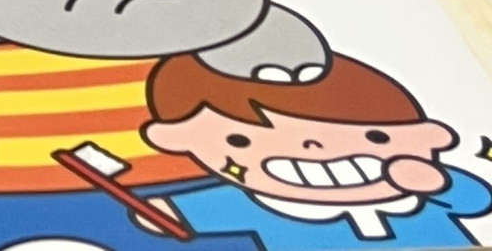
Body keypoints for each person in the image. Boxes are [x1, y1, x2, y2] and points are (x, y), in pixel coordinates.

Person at [139, 50, 492, 247]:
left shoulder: (416, 192)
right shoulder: (257, 203)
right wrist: (159, 212)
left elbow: (474, 200)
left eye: (376, 137)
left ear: (430, 136)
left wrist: (436, 184)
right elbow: (171, 214)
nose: (314, 146)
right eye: (240, 141)